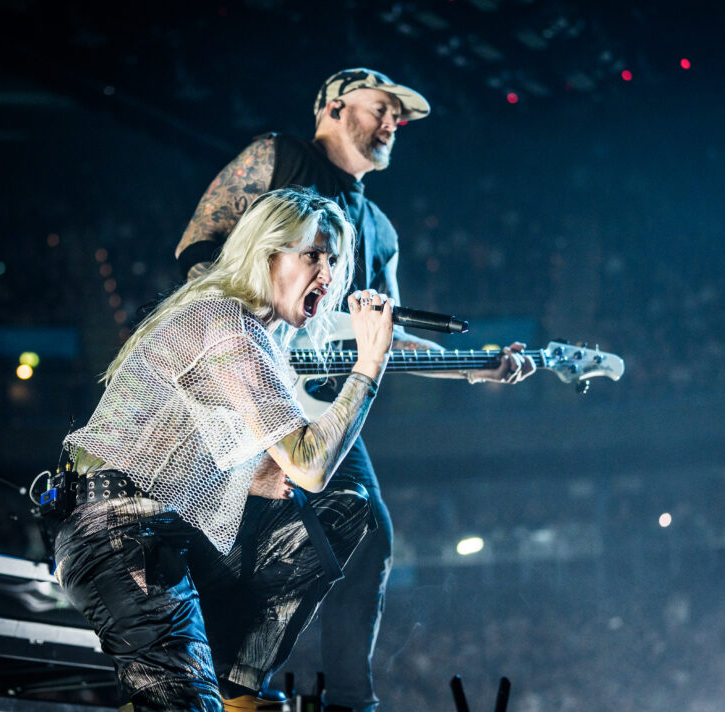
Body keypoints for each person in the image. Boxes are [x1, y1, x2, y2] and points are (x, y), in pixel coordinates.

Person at [175, 69, 535, 711]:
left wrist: (471, 367)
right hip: (237, 376)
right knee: (225, 535)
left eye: (400, 116)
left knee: (368, 531)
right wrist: (246, 343)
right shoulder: (280, 157)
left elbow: (382, 335)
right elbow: (199, 249)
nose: (394, 122)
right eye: (383, 109)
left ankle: (348, 701)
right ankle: (212, 687)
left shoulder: (380, 229)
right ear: (335, 107)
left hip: (314, 401)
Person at [54, 187, 396, 711]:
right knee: (184, 706)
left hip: (176, 532)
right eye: (312, 256)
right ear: (267, 254)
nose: (327, 276)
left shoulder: (261, 339)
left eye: (332, 260)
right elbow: (309, 464)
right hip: (119, 533)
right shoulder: (225, 325)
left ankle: (233, 683)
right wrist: (368, 366)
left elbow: (205, 444)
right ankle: (209, 696)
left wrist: (253, 474)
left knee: (347, 509)